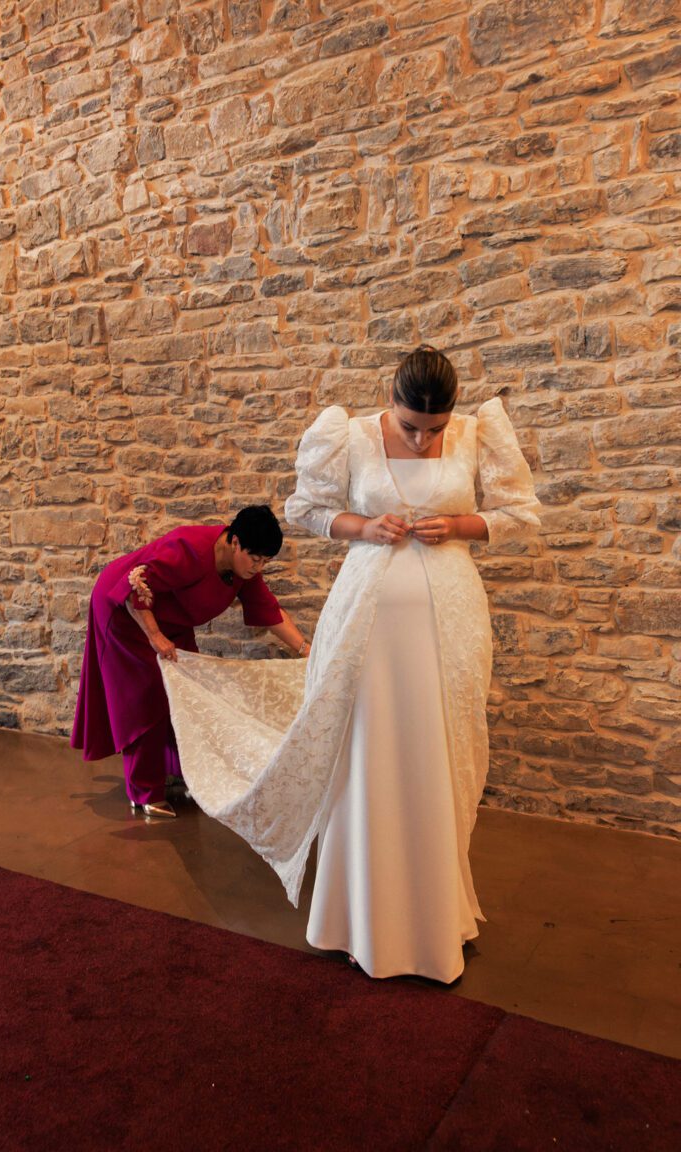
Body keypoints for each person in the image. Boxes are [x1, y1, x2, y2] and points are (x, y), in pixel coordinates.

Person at [281, 344, 541, 982]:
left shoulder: (479, 433)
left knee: (438, 752)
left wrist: (459, 525)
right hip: (367, 622)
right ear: (390, 402)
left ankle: (433, 922)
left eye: (435, 429)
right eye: (410, 427)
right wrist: (364, 528)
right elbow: (306, 510)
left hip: (447, 622)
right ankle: (357, 919)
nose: (424, 440)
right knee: (369, 753)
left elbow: (520, 515)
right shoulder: (351, 435)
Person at [71, 506, 310, 818]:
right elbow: (135, 585)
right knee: (147, 697)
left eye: (266, 561)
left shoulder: (244, 571)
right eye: (256, 558)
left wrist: (306, 648)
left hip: (170, 619)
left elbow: (268, 609)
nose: (259, 566)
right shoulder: (188, 548)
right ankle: (143, 791)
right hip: (126, 614)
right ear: (235, 542)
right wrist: (154, 635)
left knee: (187, 687)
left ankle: (174, 770)